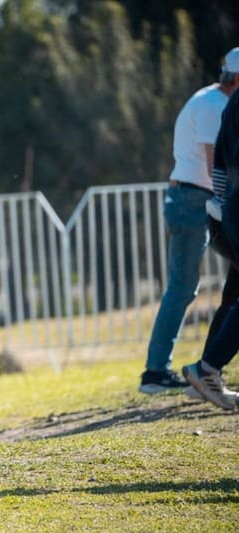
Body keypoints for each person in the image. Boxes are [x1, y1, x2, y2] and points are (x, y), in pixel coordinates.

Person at [140, 47, 239, 394]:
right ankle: (156, 372)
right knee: (182, 288)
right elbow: (216, 165)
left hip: (191, 198)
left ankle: (206, 368)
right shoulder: (216, 106)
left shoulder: (212, 99)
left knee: (216, 286)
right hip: (193, 199)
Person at [183, 84, 239, 410]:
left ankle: (206, 370)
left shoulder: (232, 106)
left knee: (233, 295)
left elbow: (218, 163)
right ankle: (207, 368)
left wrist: (222, 202)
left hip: (230, 208)